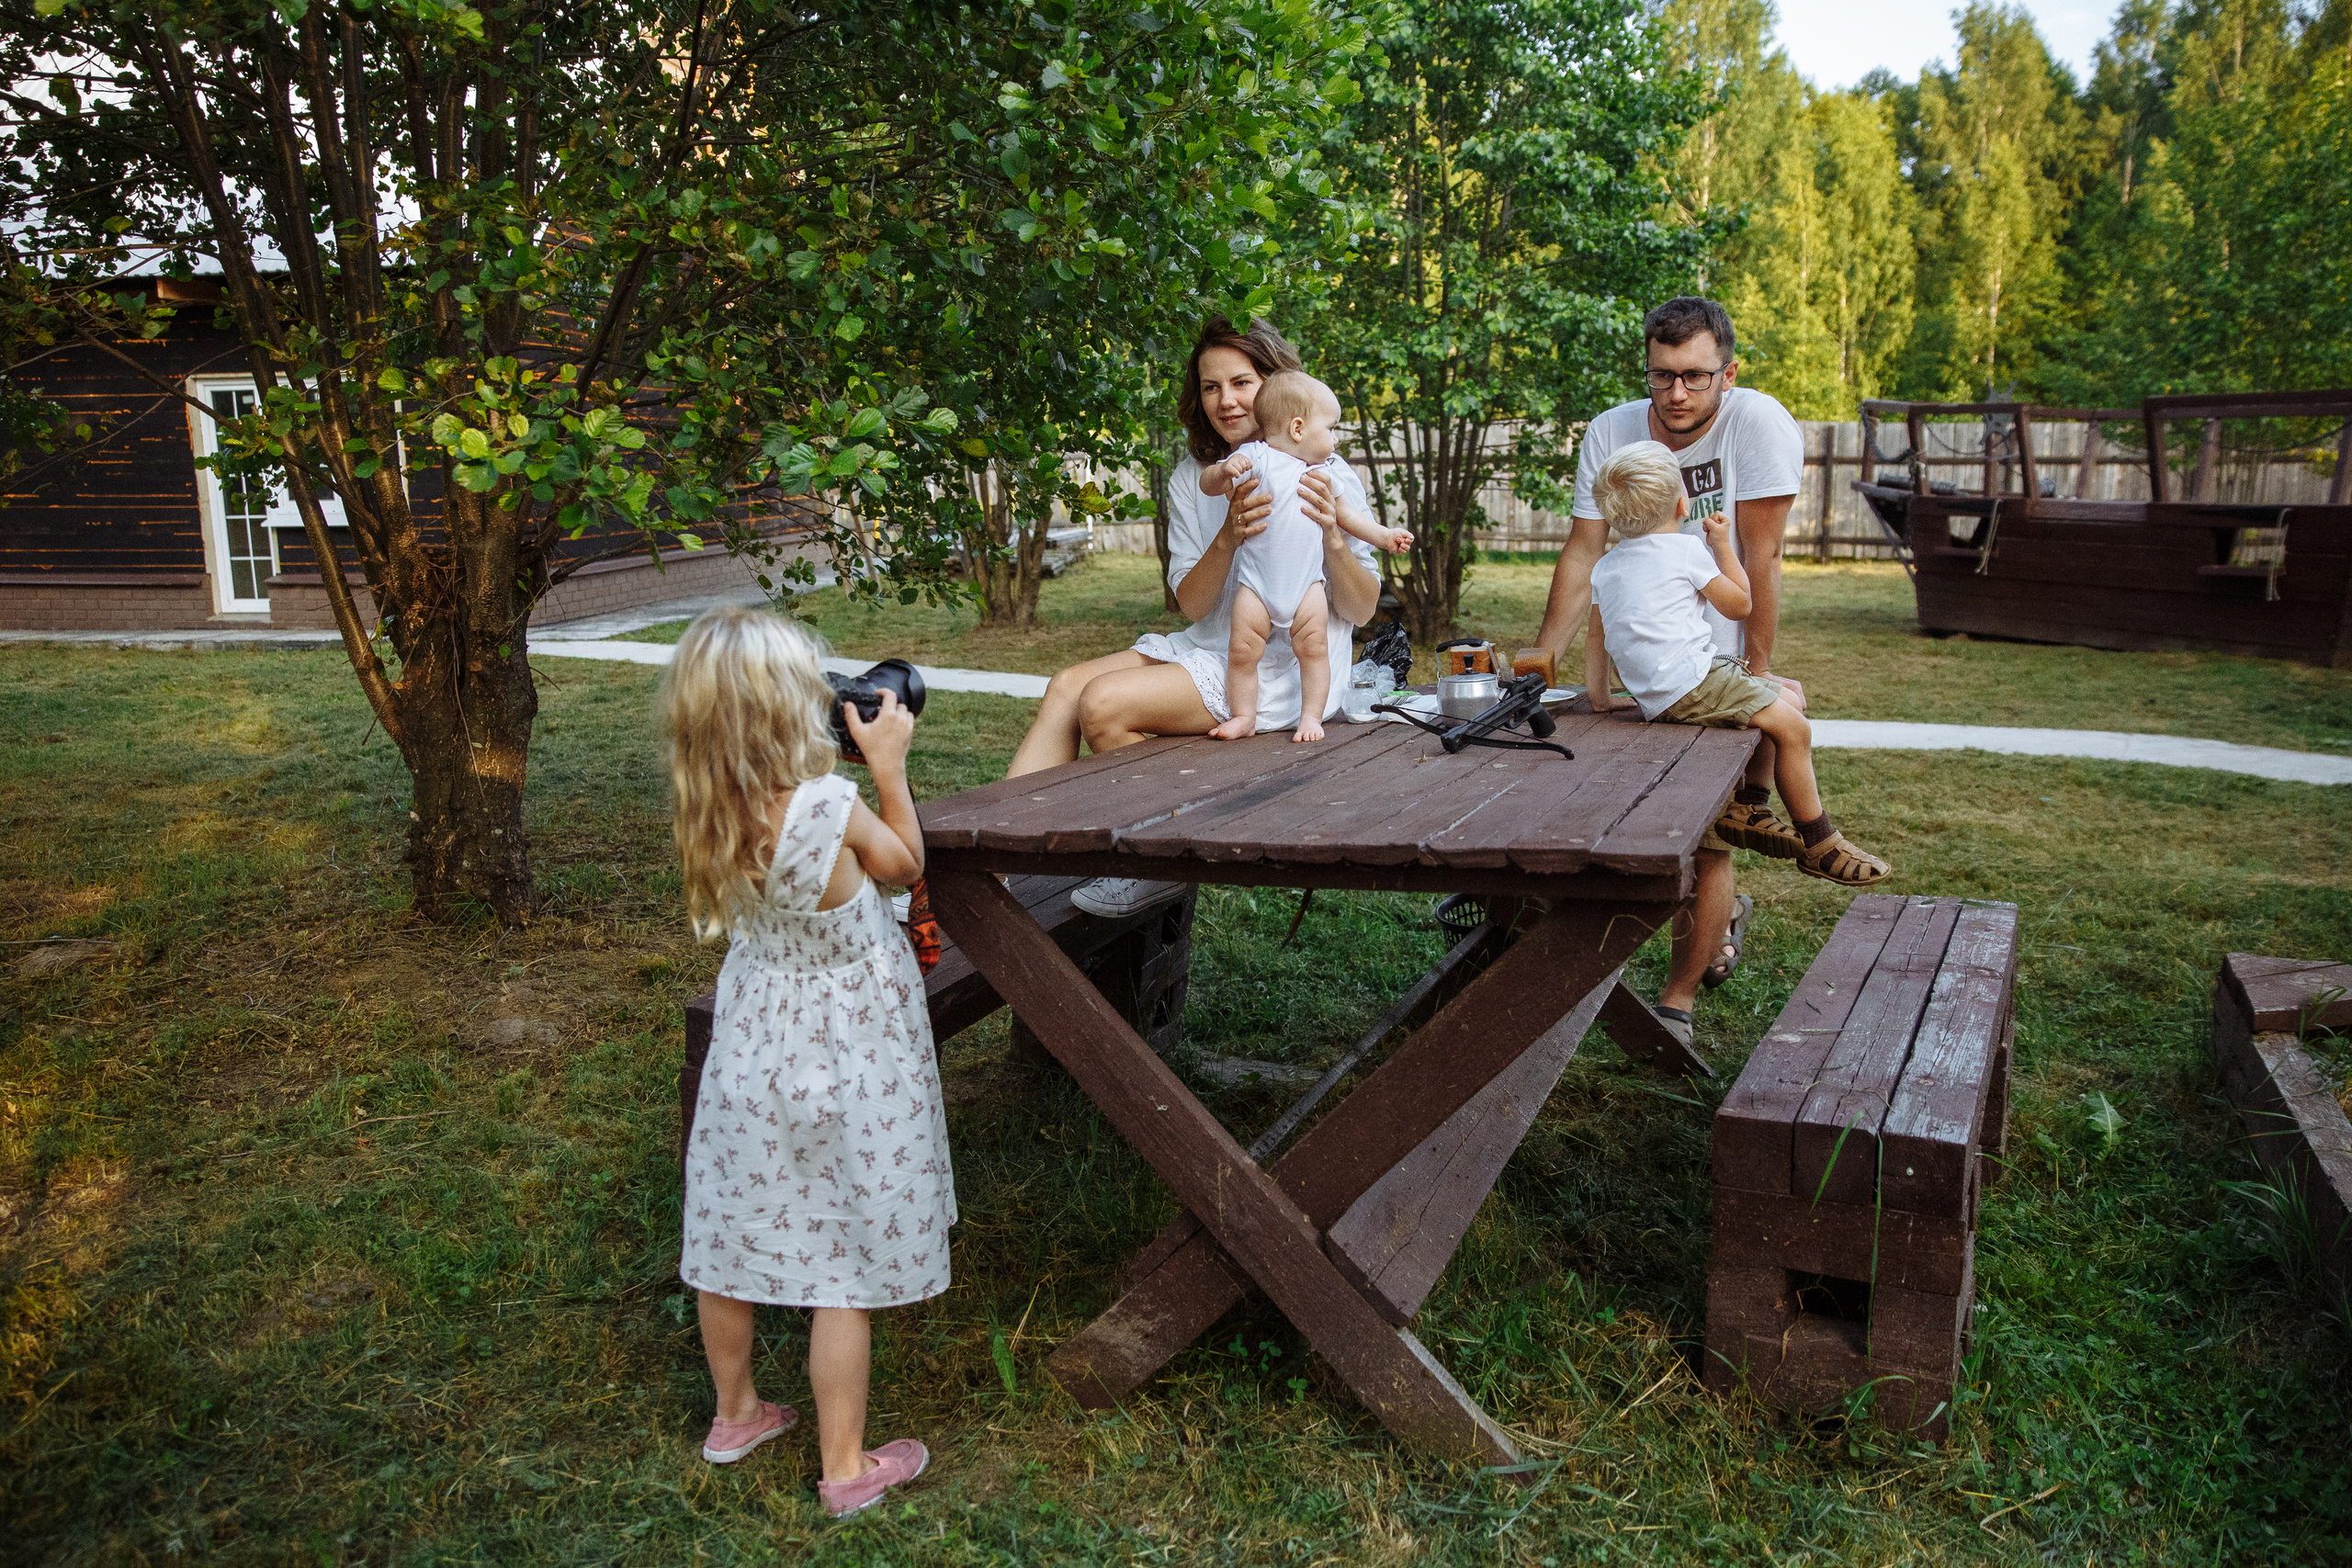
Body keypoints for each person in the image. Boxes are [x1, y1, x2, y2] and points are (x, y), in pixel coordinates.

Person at [661, 604, 951, 1519]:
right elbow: (904, 866)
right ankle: (844, 1465)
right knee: (842, 1259)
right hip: (844, 1045)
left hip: (753, 1038)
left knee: (732, 1228)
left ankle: (737, 1413)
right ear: (793, 707)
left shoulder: (707, 804)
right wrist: (891, 767)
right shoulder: (826, 805)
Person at [1005, 317, 1385, 918]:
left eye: (1242, 381)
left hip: (1282, 670)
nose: (1226, 399)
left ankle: (1157, 859)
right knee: (1067, 686)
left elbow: (1362, 608)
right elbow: (1194, 604)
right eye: (1211, 386)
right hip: (1213, 642)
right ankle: (989, 864)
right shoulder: (1195, 477)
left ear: (1278, 386)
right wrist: (1229, 537)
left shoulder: (1327, 471)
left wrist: (1335, 540)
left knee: (1103, 704)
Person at [1530, 296, 1804, 1002]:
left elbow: (1762, 555)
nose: (1676, 393)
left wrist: (1758, 668)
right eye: (1660, 375)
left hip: (1714, 662)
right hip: (1649, 679)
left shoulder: (1760, 423)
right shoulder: (1612, 431)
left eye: (1694, 376)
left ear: (1728, 373)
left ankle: (1679, 997)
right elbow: (1584, 551)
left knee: (1709, 841)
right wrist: (1542, 654)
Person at [1584, 449, 1890, 1048]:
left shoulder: (1608, 566)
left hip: (1666, 687)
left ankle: (1751, 802)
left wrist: (1602, 699)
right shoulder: (1684, 550)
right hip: (1693, 684)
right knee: (1793, 728)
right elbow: (1740, 605)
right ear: (1681, 504)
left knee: (1787, 694)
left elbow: (1597, 641)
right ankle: (1819, 842)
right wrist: (1723, 546)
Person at [1199, 372, 1412, 742]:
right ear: (1298, 428)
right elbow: (1209, 484)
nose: (1336, 437)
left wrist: (1385, 536)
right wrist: (1222, 471)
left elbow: (1350, 518)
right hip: (1256, 587)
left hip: (1307, 588)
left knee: (1315, 651)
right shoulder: (1257, 458)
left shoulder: (1323, 474)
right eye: (1331, 427)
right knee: (1242, 652)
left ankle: (1311, 717)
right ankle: (1244, 716)